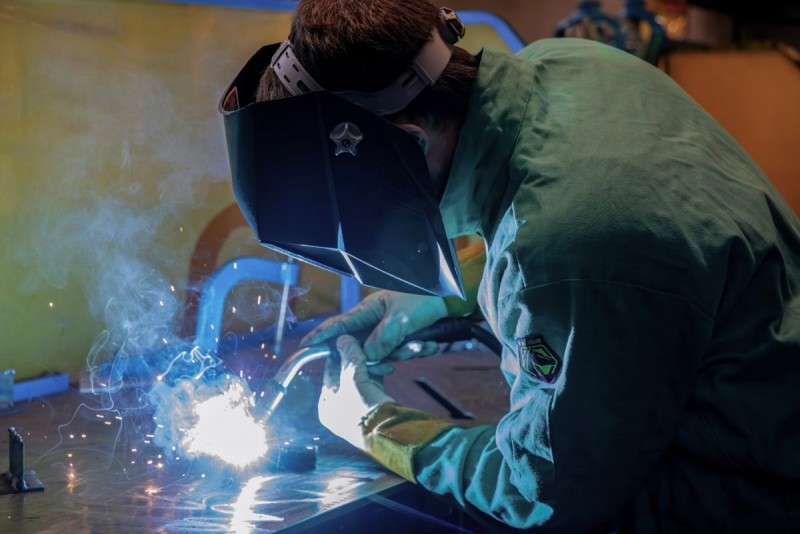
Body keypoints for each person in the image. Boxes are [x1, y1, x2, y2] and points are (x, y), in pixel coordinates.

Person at [219, 0, 800, 530]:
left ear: (409, 146)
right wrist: (440, 292)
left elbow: (544, 494)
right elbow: (587, 221)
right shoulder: (569, 62)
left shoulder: (564, 249)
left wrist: (380, 428)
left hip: (746, 494)